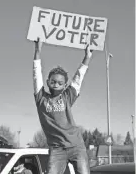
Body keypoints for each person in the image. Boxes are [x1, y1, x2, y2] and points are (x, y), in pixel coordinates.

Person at [33, 38, 94, 174]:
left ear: (65, 85)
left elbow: (78, 78)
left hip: (76, 146)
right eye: (53, 81)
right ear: (48, 82)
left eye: (60, 83)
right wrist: (37, 51)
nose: (56, 84)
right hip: (57, 150)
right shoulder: (41, 98)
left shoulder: (67, 97)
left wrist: (87, 57)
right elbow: (36, 74)